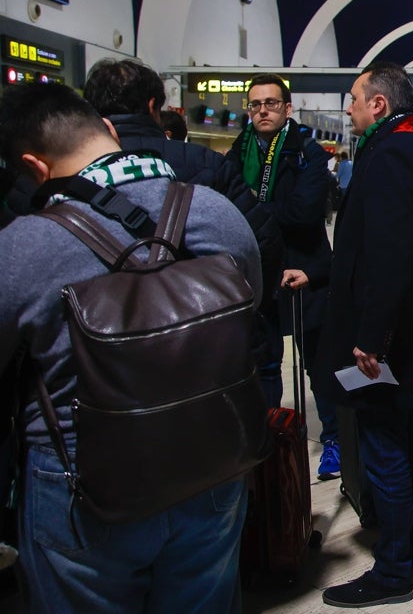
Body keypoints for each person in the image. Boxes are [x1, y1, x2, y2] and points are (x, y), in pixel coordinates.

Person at [0, 81, 262, 613]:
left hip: (85, 480)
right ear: (112, 132)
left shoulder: (23, 245)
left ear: (33, 166)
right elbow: (247, 309)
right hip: (212, 457)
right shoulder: (213, 211)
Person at [315, 62, 413, 608]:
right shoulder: (409, 152)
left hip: (385, 344)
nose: (347, 108)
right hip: (409, 336)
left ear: (379, 106)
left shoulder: (390, 157)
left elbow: (387, 257)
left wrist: (370, 337)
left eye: (353, 98)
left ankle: (393, 572)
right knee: (412, 445)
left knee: (386, 451)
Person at [82, 58, 281, 300]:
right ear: (153, 105)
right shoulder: (207, 164)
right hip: (201, 320)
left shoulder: (68, 171)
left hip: (101, 322)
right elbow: (262, 239)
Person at [224, 74, 340, 479]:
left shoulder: (307, 153)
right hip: (257, 273)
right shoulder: (237, 151)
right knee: (265, 362)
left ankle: (335, 439)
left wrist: (251, 211)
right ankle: (269, 437)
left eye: (271, 103)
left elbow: (304, 213)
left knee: (317, 362)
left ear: (287, 109)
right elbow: (223, 206)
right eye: (255, 104)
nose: (262, 111)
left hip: (306, 270)